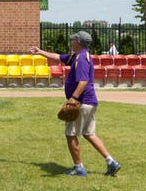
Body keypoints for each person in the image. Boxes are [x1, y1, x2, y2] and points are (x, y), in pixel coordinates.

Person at [30, 31, 121, 177]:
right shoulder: (78, 56)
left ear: (78, 42)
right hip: (89, 102)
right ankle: (111, 162)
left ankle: (79, 168)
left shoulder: (82, 59)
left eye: (73, 40)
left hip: (82, 102)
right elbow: (58, 57)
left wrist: (73, 99)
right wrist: (40, 52)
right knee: (88, 133)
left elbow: (83, 81)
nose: (71, 42)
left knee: (70, 134)